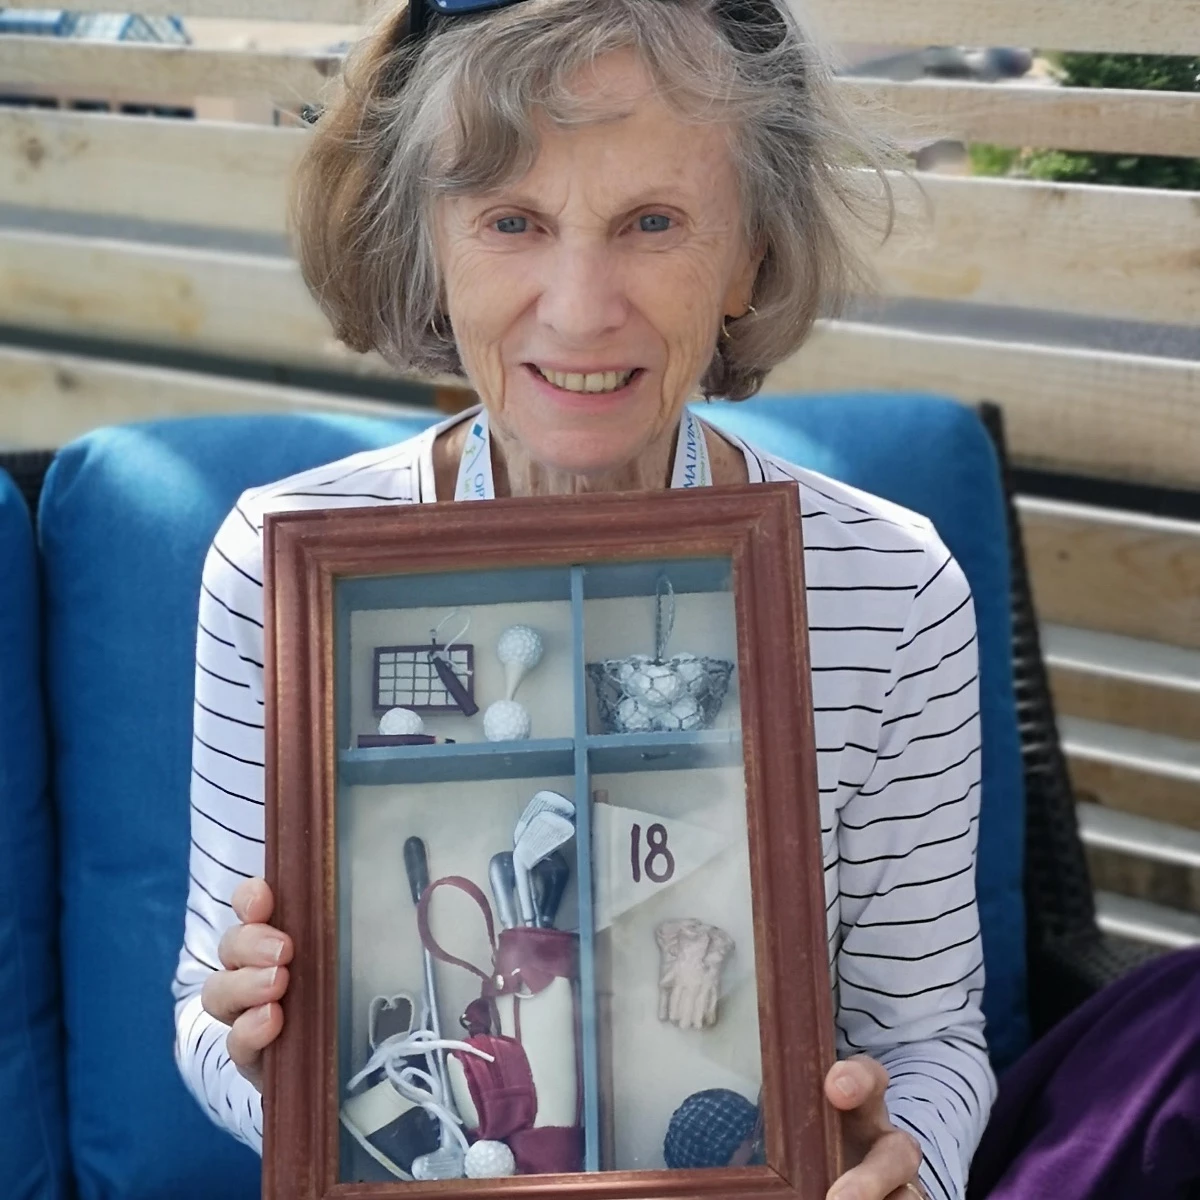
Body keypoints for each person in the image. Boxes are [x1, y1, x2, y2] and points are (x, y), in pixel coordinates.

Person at [174, 2, 991, 1198]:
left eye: (653, 222)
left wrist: (906, 1172)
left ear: (749, 255)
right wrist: (263, 1052)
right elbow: (204, 1019)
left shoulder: (894, 589)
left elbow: (928, 1039)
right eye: (512, 220)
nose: (579, 306)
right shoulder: (275, 567)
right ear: (426, 243)